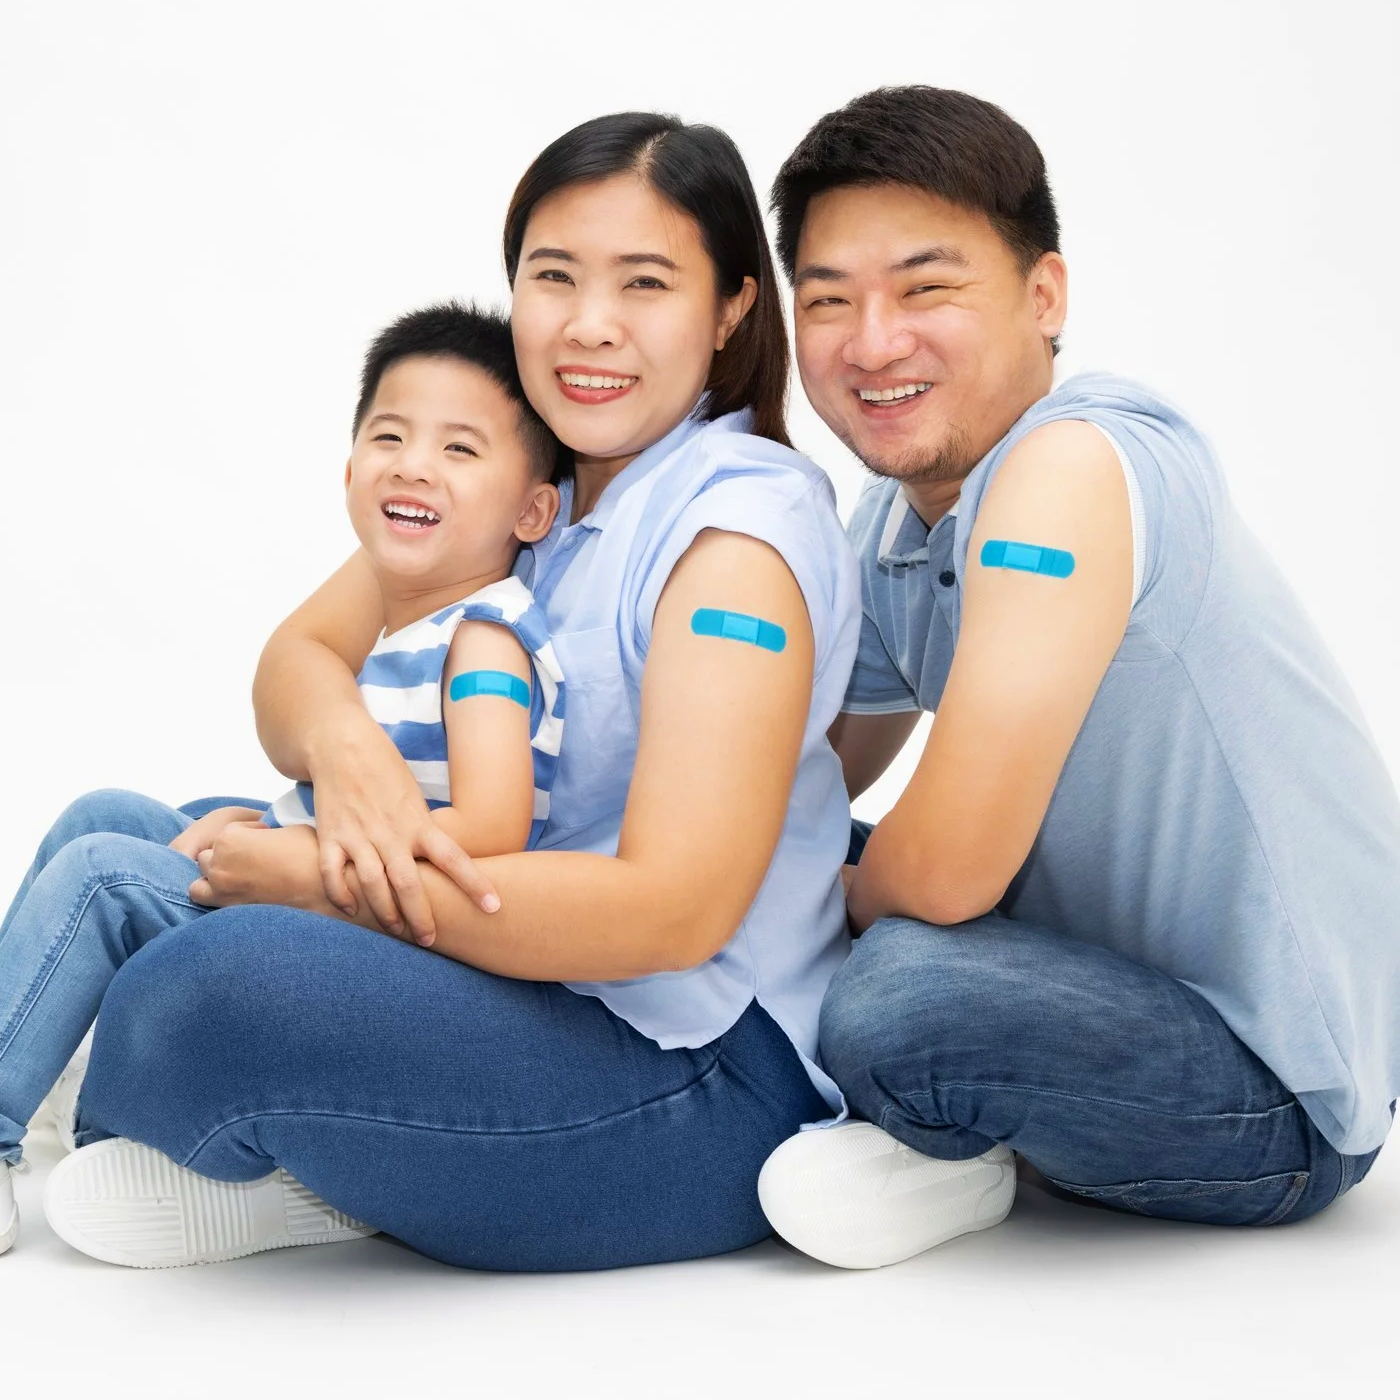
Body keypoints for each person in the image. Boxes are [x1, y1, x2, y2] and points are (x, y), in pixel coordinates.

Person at [39, 111, 861, 1271]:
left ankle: (227, 1128)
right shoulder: (534, 474)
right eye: (553, 274)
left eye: (644, 283)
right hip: (521, 976)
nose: (589, 324)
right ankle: (326, 1167)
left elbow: (671, 912)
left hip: (690, 1076)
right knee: (121, 823)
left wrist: (333, 883)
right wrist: (350, 762)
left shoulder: (734, 538)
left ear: (730, 306)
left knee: (207, 983)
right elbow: (296, 661)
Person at [757, 85, 1400, 1269]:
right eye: (828, 298)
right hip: (1070, 973)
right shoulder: (892, 522)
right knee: (740, 850)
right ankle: (934, 1119)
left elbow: (945, 872)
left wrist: (765, 897)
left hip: (1280, 1091)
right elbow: (782, 786)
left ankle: (951, 1144)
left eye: (924, 288)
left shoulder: (1069, 467)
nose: (871, 341)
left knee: (896, 997)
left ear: (1043, 295)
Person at [0, 302, 564, 1258]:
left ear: (532, 511)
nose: (414, 465)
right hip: (320, 878)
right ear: (348, 473)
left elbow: (498, 824)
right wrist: (282, 816)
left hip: (376, 931)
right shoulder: (407, 622)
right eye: (389, 436)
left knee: (102, 875)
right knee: (100, 814)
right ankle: (46, 1047)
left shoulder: (483, 644)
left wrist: (301, 850)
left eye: (460, 449)